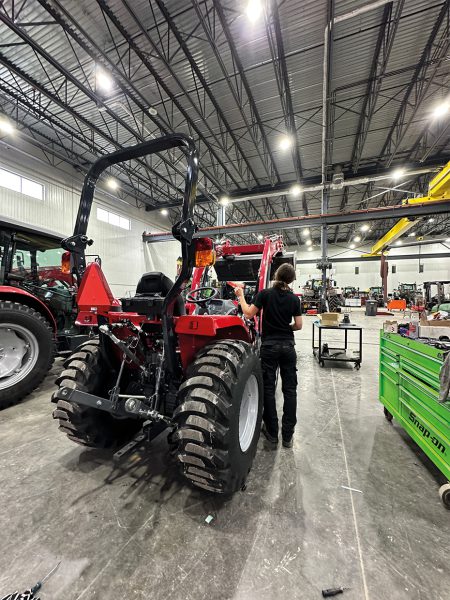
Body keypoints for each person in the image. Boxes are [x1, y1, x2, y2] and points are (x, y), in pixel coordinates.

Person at [234, 264, 302, 448]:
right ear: (291, 279)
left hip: (270, 346)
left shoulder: (265, 294)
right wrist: (285, 328)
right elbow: (299, 325)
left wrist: (240, 296)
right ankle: (288, 436)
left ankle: (272, 432)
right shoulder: (294, 299)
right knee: (290, 390)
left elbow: (248, 314)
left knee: (269, 389)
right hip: (288, 347)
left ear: (276, 276)